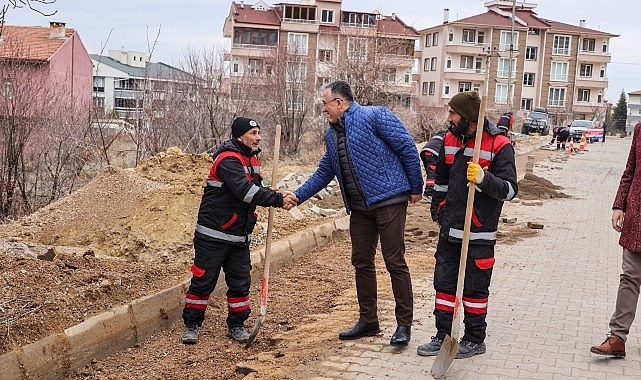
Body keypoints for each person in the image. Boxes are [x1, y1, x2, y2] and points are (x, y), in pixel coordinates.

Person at [294, 80, 424, 347]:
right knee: (361, 262)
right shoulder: (332, 134)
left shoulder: (375, 115)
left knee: (394, 261)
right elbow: (324, 172)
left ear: (339, 103)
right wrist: (296, 197)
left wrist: (415, 186)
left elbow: (407, 148)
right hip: (360, 207)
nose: (323, 109)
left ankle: (404, 325)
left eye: (325, 103)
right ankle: (369, 321)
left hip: (390, 199)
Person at [417, 91, 518, 359]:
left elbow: (509, 190)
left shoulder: (499, 145)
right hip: (450, 229)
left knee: (474, 287)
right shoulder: (449, 140)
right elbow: (440, 183)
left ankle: (474, 339)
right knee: (445, 284)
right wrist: (439, 211)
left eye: (453, 113)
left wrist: (485, 179)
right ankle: (443, 334)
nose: (449, 118)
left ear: (469, 118)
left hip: (480, 231)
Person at [181, 117, 298, 345]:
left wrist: (270, 192)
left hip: (239, 235)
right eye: (253, 133)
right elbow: (245, 191)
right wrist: (277, 199)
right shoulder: (227, 159)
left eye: (259, 132)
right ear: (239, 136)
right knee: (204, 281)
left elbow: (254, 189)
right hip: (213, 234)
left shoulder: (250, 159)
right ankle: (191, 325)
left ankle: (236, 325)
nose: (258, 137)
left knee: (240, 281)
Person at [590, 121, 641, 358]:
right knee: (629, 277)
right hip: (637, 216)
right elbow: (630, 169)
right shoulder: (640, 129)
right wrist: (619, 205)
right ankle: (617, 338)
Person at [420, 129, 447, 202]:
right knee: (433, 174)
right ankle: (429, 193)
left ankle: (429, 191)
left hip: (425, 151)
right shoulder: (448, 136)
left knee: (431, 173)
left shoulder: (438, 136)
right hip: (433, 152)